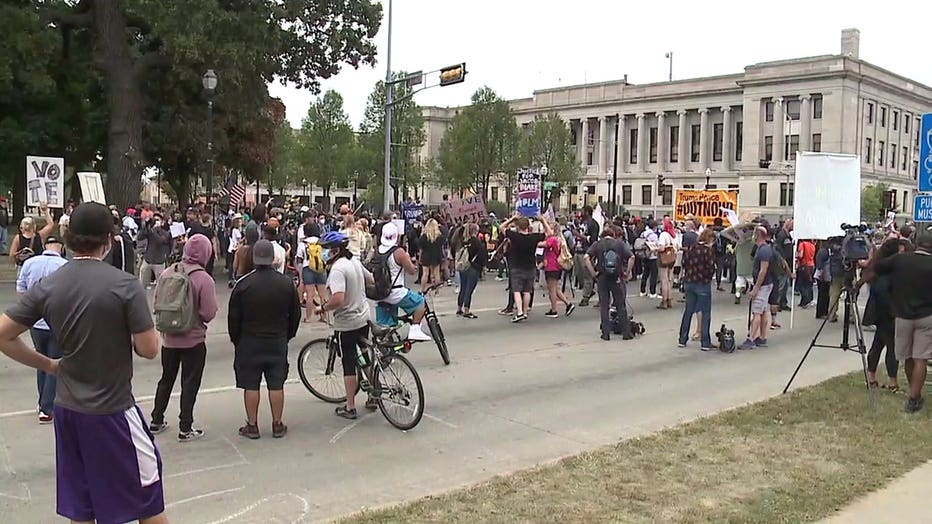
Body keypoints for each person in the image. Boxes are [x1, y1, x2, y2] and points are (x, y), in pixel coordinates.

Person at [0, 202, 166, 524]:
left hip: (68, 411)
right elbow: (149, 349)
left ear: (68, 236)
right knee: (148, 501)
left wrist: (49, 364)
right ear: (109, 239)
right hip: (113, 411)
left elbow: (3, 335)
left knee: (82, 506)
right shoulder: (124, 285)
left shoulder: (49, 285)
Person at [228, 239, 301, 439]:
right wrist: (287, 335)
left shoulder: (243, 285)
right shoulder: (286, 283)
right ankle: (277, 424)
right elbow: (295, 314)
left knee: (250, 384)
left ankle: (252, 425)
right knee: (276, 383)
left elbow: (233, 318)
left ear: (253, 258)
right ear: (274, 258)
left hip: (249, 341)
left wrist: (237, 340)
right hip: (277, 339)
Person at [149, 234, 219, 442]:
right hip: (193, 340)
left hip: (168, 338)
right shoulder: (204, 279)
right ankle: (185, 427)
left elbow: (157, 302)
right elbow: (208, 312)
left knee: (166, 379)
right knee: (190, 383)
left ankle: (156, 419)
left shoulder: (169, 272)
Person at [314, 231, 377, 419]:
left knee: (349, 363)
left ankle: (350, 406)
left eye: (325, 250)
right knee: (365, 356)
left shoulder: (338, 269)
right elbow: (371, 279)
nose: (322, 253)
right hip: (363, 317)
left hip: (347, 323)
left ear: (334, 251)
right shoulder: (354, 262)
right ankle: (375, 391)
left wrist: (323, 308)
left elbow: (338, 299)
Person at [873, 233, 932, 413]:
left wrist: (884, 247)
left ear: (916, 244)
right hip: (927, 315)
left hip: (903, 315)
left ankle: (912, 393)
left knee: (907, 356)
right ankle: (914, 396)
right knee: (921, 358)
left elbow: (878, 267)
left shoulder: (901, 260)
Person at [16, 234, 68, 423]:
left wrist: (28, 311)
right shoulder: (65, 266)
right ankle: (47, 407)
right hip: (55, 322)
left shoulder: (30, 263)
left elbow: (20, 288)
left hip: (35, 322)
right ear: (61, 247)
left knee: (41, 361)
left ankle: (42, 401)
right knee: (54, 363)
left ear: (45, 246)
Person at [858, 238, 907, 393]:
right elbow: (884, 292)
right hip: (888, 312)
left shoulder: (878, 267)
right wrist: (894, 310)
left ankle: (872, 376)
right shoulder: (888, 270)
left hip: (880, 312)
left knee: (878, 344)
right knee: (892, 347)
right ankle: (892, 381)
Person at [373, 222, 432, 341]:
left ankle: (386, 350)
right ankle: (415, 329)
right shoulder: (398, 252)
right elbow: (411, 270)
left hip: (380, 292)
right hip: (396, 292)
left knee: (386, 325)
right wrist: (411, 264)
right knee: (420, 303)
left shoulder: (377, 250)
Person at [585, 227, 634, 341]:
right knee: (620, 305)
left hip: (602, 277)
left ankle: (605, 333)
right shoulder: (619, 244)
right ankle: (626, 332)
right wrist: (627, 272)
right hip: (617, 277)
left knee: (604, 305)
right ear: (613, 235)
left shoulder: (598, 244)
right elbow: (632, 257)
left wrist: (593, 273)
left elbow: (586, 257)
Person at [500, 214, 548, 323]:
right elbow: (549, 233)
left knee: (516, 290)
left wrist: (511, 219)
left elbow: (501, 227)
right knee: (527, 291)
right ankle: (525, 312)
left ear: (518, 226)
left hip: (517, 266)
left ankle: (520, 312)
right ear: (528, 226)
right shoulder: (534, 237)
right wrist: (543, 221)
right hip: (530, 266)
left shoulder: (514, 236)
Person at [678, 228, 717, 350]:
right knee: (705, 312)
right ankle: (705, 342)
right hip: (702, 283)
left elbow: (684, 263)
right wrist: (708, 277)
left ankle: (682, 339)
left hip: (689, 282)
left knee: (688, 311)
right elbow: (711, 267)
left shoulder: (691, 248)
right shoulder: (708, 251)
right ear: (710, 239)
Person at [738, 227, 775, 350]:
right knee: (764, 311)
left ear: (758, 235)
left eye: (754, 234)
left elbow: (763, 271)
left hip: (763, 285)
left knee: (757, 312)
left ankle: (751, 338)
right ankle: (762, 337)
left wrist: (756, 288)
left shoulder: (764, 250)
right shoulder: (763, 249)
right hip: (766, 284)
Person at [541, 219, 576, 318]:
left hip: (552, 266)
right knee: (556, 289)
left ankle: (554, 310)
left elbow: (541, 244)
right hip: (556, 266)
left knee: (552, 289)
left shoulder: (552, 239)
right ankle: (568, 304)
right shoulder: (559, 239)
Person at [297, 223, 329, 322]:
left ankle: (308, 317)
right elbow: (326, 256)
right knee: (323, 295)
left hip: (308, 268)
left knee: (310, 295)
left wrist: (300, 272)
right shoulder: (322, 242)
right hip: (321, 269)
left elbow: (299, 259)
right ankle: (324, 316)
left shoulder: (303, 243)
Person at [456, 223, 488, 319]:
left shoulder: (463, 241)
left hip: (463, 266)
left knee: (463, 288)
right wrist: (483, 266)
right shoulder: (476, 242)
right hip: (473, 267)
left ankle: (459, 308)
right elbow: (482, 255)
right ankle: (467, 310)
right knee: (469, 290)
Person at [10, 203, 55, 269]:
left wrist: (21, 253)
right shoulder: (40, 235)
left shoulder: (18, 238)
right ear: (34, 226)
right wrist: (45, 211)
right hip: (39, 265)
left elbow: (11, 255)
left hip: (24, 266)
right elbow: (51, 225)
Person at [573, 206, 600, 305]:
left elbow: (593, 240)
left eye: (583, 211)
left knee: (587, 275)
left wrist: (579, 236)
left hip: (587, 252)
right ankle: (589, 289)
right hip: (578, 250)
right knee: (578, 274)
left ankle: (585, 296)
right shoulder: (581, 223)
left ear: (588, 212)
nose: (581, 213)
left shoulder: (593, 224)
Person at [138, 213, 172, 288]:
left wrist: (153, 231)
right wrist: (146, 226)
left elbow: (160, 241)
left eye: (158, 220)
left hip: (159, 262)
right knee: (142, 285)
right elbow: (140, 237)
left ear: (162, 221)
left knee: (161, 286)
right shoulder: (149, 231)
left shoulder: (165, 232)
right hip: (148, 260)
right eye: (154, 220)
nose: (156, 222)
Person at [656, 218, 678, 309]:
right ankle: (669, 299)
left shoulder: (663, 234)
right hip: (672, 258)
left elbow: (661, 248)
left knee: (664, 280)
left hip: (664, 258)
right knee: (669, 280)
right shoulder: (674, 235)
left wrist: (654, 249)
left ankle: (664, 300)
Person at [418, 218, 445, 294]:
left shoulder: (424, 236)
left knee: (425, 273)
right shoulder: (439, 236)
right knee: (437, 273)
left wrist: (420, 257)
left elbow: (421, 249)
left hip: (426, 255)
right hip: (436, 255)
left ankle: (422, 289)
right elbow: (441, 246)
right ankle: (437, 290)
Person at [796, 238, 816, 309]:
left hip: (804, 266)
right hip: (811, 265)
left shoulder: (802, 244)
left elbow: (801, 255)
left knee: (802, 285)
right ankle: (808, 300)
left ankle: (805, 301)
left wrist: (796, 255)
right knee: (809, 284)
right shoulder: (812, 245)